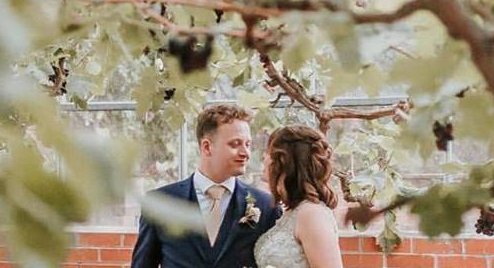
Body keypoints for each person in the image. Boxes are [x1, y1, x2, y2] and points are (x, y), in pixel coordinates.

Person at [131, 104, 280, 268]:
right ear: (207, 147)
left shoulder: (266, 206)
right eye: (235, 144)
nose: (245, 153)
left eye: (248, 144)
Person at [254, 125, 344, 268]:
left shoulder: (313, 214)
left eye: (269, 152)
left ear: (283, 162)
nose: (264, 157)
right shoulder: (293, 212)